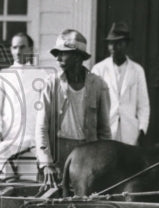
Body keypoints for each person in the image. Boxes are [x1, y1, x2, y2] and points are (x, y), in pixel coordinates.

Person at [36, 29, 112, 188]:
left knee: (83, 205)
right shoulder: (51, 84)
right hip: (56, 154)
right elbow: (41, 127)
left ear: (78, 57)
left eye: (63, 53)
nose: (58, 58)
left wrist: (105, 165)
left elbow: (104, 131)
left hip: (87, 156)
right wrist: (46, 163)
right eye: (56, 53)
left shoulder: (98, 85)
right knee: (50, 206)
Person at [0, 32, 46, 180]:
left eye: (23, 47)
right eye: (15, 47)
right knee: (2, 171)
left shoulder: (42, 75)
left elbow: (48, 109)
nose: (18, 51)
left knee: (35, 182)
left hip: (35, 140)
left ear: (31, 49)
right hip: (10, 139)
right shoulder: (3, 75)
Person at [90, 21, 150, 146]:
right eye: (110, 43)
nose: (113, 47)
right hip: (106, 133)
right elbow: (92, 105)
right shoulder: (99, 69)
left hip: (130, 134)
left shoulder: (137, 70)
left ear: (126, 44)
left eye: (118, 43)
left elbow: (143, 105)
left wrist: (142, 130)